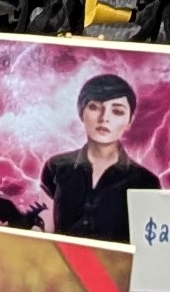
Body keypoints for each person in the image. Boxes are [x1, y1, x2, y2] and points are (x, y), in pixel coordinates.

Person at [42, 77, 159, 243]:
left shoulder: (146, 182)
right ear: (81, 112)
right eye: (94, 107)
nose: (104, 118)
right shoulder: (55, 167)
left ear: (129, 121)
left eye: (117, 111)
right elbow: (44, 230)